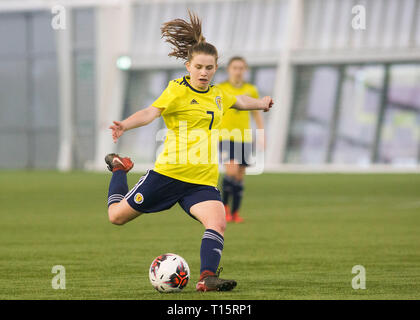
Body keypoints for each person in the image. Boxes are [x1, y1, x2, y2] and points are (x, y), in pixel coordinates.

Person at [105, 11, 273, 292]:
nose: (204, 73)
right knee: (116, 217)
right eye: (199, 67)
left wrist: (261, 103)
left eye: (209, 68)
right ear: (188, 66)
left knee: (218, 222)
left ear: (216, 68)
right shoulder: (176, 90)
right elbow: (150, 112)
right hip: (168, 174)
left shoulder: (218, 94)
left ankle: (207, 277)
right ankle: (120, 168)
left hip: (202, 180)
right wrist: (125, 124)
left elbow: (239, 100)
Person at [218, 57, 265, 223]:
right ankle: (223, 208)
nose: (238, 71)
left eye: (241, 68)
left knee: (239, 177)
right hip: (225, 137)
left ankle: (236, 212)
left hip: (245, 138)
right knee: (230, 172)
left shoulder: (250, 89)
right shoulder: (220, 88)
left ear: (245, 70)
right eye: (235, 68)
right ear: (228, 70)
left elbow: (257, 113)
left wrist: (261, 135)